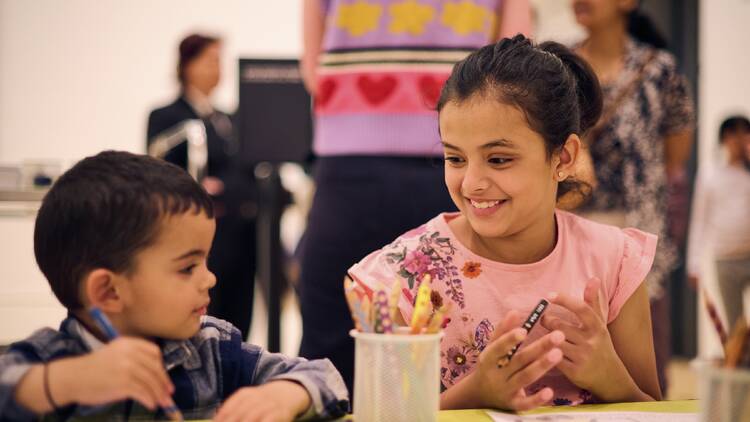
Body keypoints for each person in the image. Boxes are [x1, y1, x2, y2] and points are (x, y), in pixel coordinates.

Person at [348, 35, 661, 410]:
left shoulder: (615, 262)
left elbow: (654, 410)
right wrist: (476, 393)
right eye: (456, 159)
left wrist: (612, 378)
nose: (472, 183)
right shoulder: (404, 276)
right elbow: (385, 414)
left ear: (563, 157)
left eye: (498, 159)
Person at [0, 151, 348, 420]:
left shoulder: (212, 348)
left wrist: (282, 396)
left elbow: (327, 377)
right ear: (108, 291)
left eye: (206, 262)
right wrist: (68, 381)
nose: (210, 278)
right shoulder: (49, 358)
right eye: (187, 267)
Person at [298, 0, 532, 394]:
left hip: (374, 154)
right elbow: (513, 56)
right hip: (454, 155)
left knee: (338, 343)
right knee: (452, 339)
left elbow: (312, 64)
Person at [570, 0, 695, 393]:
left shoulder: (661, 71)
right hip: (573, 223)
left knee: (645, 349)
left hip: (637, 228)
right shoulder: (561, 68)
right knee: (573, 330)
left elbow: (675, 157)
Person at [147, 34, 258, 340]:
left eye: (220, 61)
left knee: (240, 317)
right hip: (203, 235)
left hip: (243, 234)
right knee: (208, 314)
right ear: (187, 65)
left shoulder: (230, 118)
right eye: (210, 60)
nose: (217, 68)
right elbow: (161, 172)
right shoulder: (168, 117)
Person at [687, 116, 750, 326]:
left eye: (744, 133)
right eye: (733, 134)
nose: (739, 140)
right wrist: (694, 264)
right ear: (724, 138)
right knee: (736, 325)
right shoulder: (709, 172)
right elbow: (699, 219)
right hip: (724, 258)